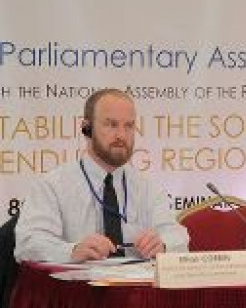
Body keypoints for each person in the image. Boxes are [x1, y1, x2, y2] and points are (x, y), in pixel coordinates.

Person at [15, 89, 189, 263]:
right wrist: (72, 251)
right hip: (76, 280)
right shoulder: (52, 186)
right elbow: (28, 244)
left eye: (129, 126)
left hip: (136, 280)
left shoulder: (148, 188)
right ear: (87, 129)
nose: (121, 135)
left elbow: (177, 236)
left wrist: (163, 244)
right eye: (111, 125)